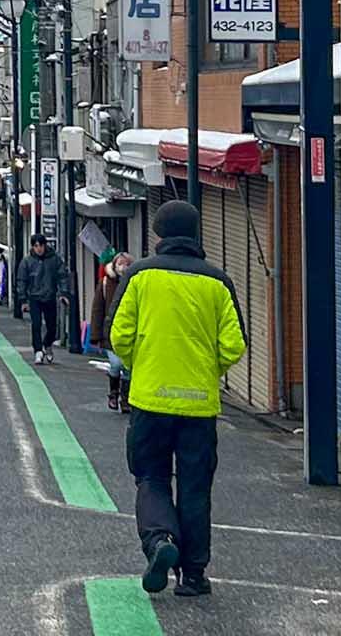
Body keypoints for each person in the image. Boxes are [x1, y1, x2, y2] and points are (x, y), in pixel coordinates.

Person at [111, 200, 246, 600]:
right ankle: (194, 576)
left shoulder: (139, 276)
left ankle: (159, 541)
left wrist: (143, 364)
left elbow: (119, 334)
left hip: (150, 400)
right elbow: (234, 345)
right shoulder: (217, 282)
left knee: (151, 477)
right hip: (199, 407)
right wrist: (208, 369)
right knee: (195, 488)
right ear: (195, 233)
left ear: (158, 234)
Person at [90, 251, 135, 412]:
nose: (124, 267)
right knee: (116, 365)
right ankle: (113, 394)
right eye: (120, 264)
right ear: (114, 265)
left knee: (128, 368)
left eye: (127, 264)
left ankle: (126, 399)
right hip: (110, 333)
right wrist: (95, 336)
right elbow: (97, 310)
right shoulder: (105, 283)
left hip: (131, 334)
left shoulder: (135, 283)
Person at [13, 233, 68, 364]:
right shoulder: (27, 261)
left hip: (49, 296)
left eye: (41, 245)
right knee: (36, 325)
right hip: (34, 297)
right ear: (33, 246)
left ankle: (47, 344)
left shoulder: (54, 259)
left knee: (52, 327)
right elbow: (21, 281)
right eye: (36, 246)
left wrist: (63, 293)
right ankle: (38, 350)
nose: (39, 249)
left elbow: (62, 276)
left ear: (45, 245)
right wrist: (23, 300)